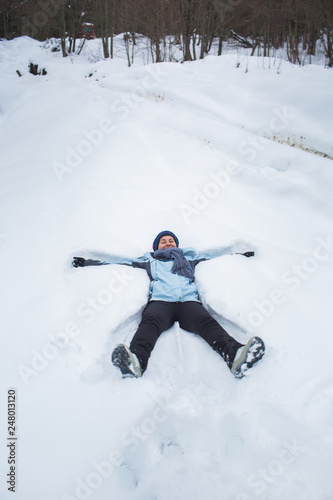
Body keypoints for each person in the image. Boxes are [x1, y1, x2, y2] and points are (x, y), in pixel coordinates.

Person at [72, 230, 265, 379]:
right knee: (150, 323)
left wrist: (240, 255)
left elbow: (218, 259)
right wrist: (88, 263)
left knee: (206, 322)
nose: (167, 243)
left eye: (170, 241)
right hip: (161, 302)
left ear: (176, 244)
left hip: (188, 301)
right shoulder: (148, 261)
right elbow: (119, 263)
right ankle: (135, 361)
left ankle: (236, 357)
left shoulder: (189, 259)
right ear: (157, 246)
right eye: (163, 241)